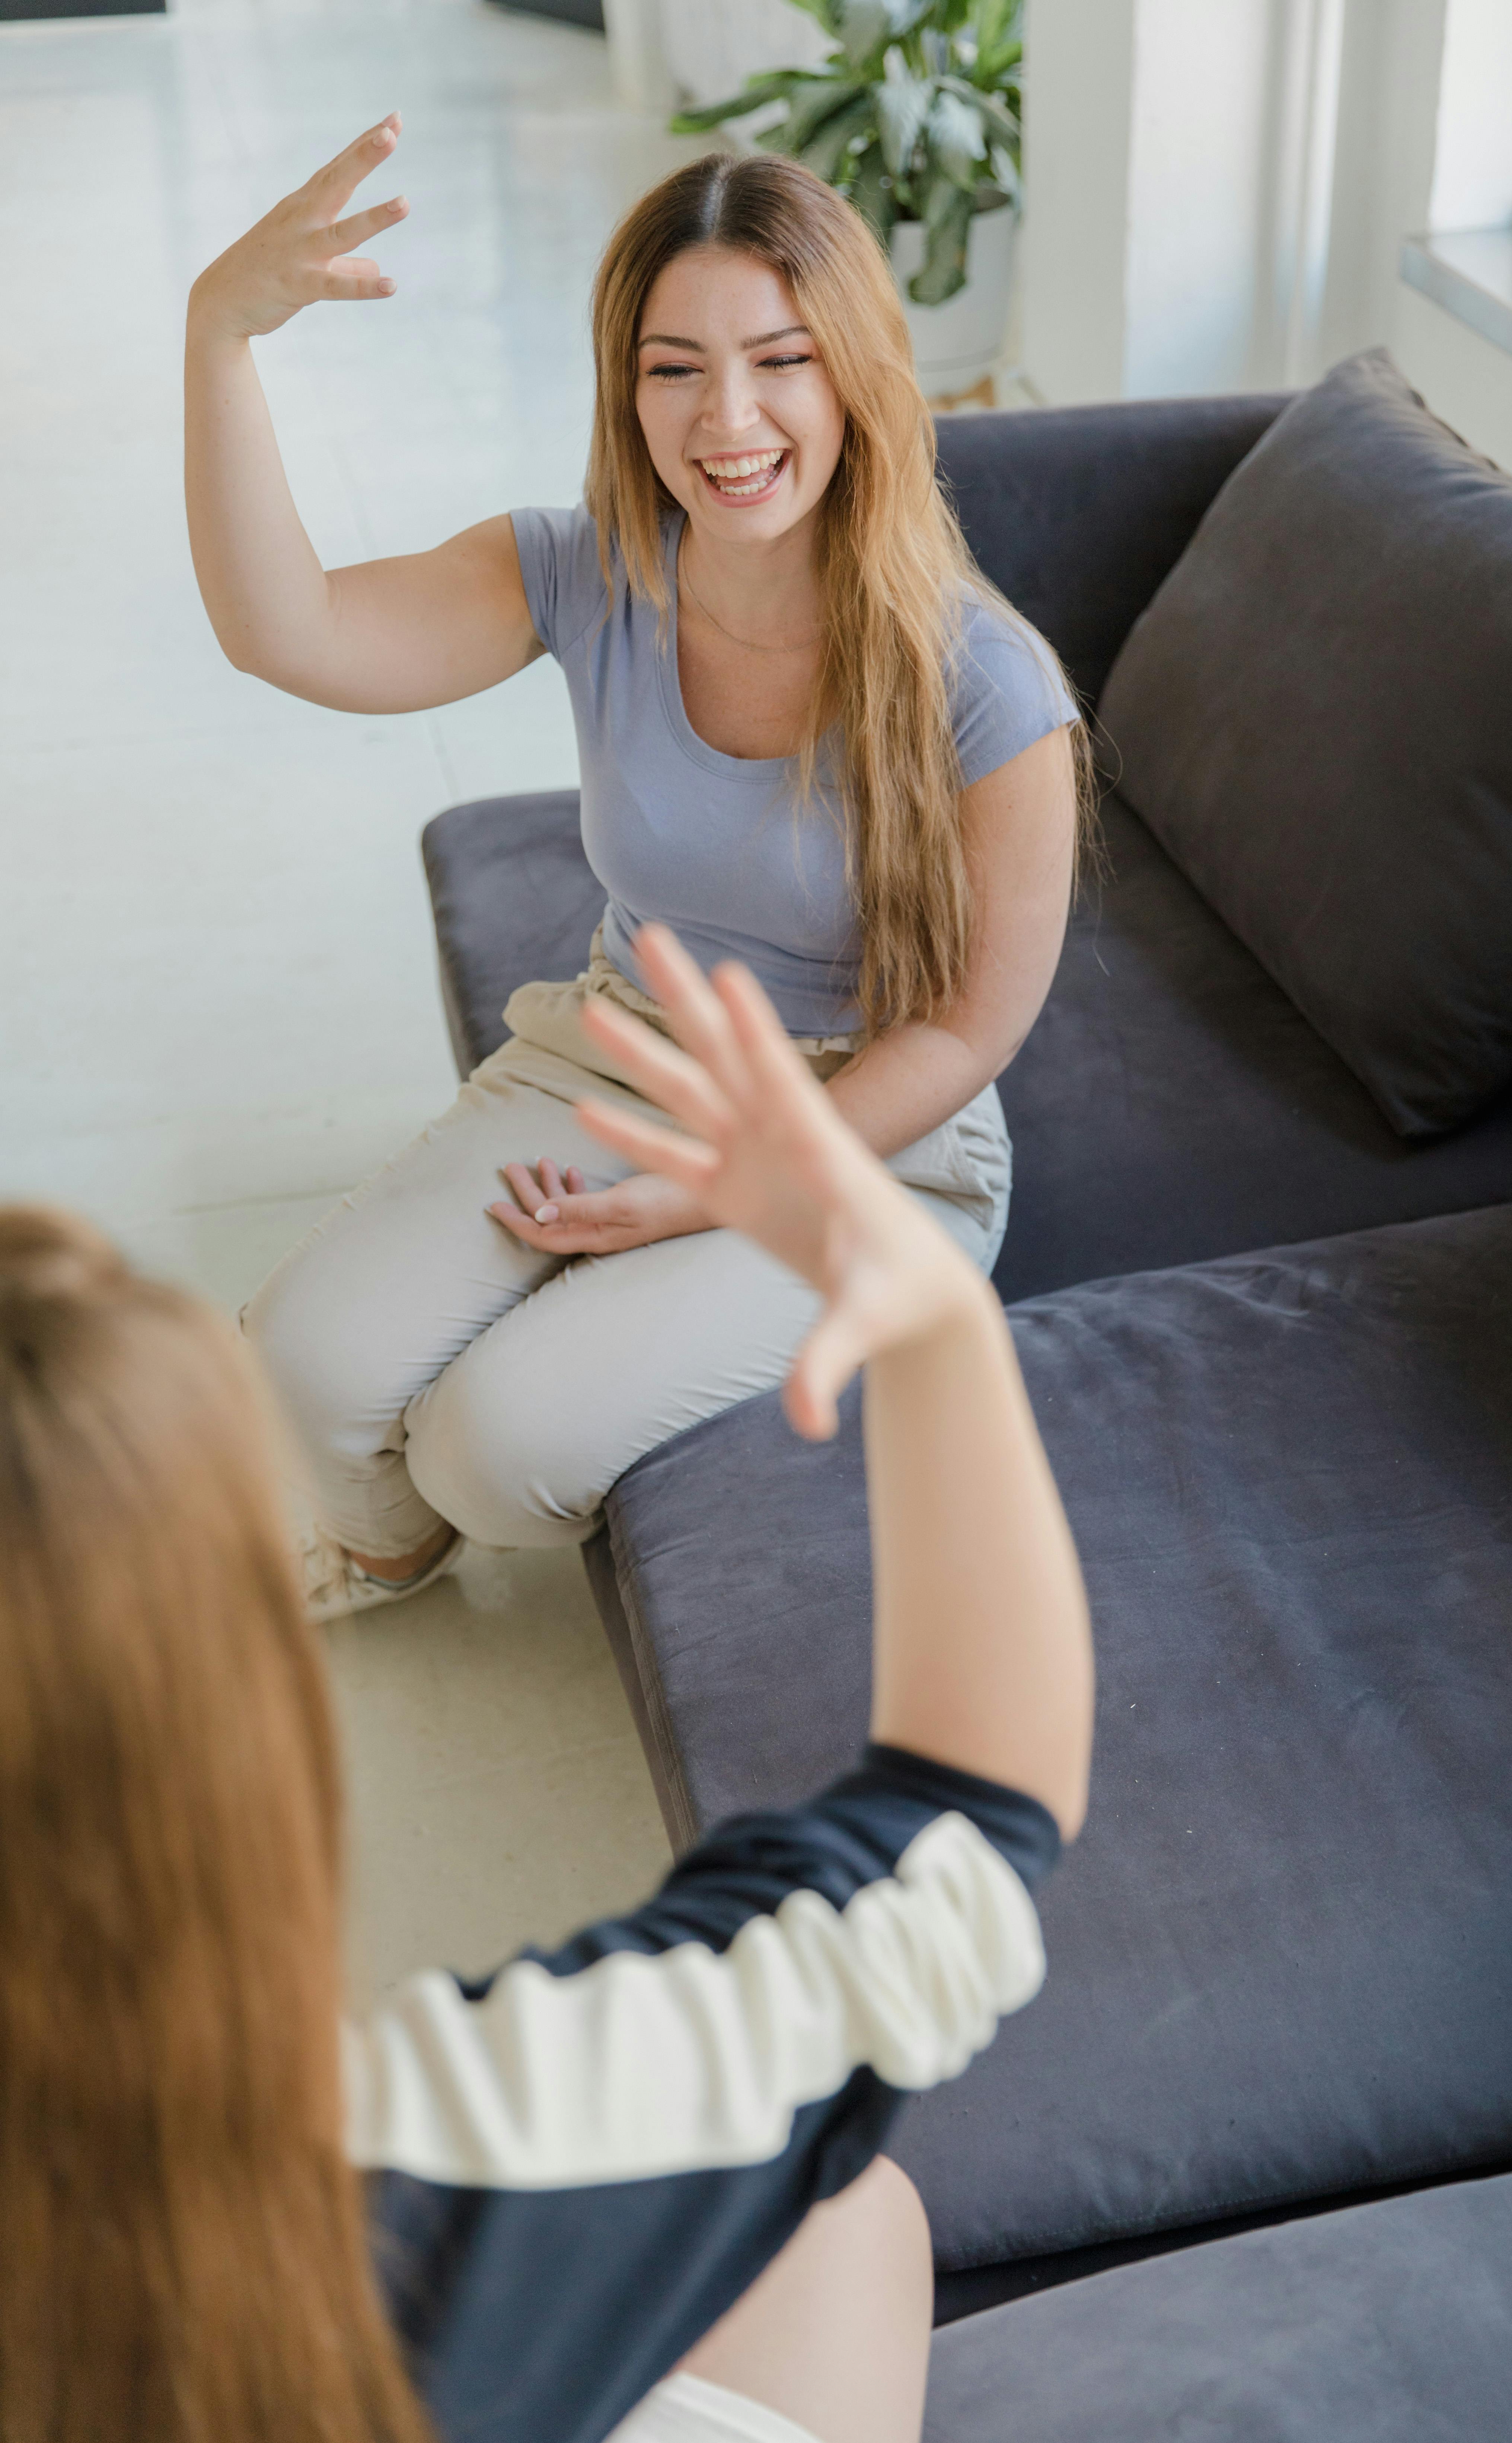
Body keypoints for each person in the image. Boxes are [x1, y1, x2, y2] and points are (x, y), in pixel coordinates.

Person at [0, 927, 1094, 2443]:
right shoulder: (488, 2140)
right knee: (850, 2217)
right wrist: (923, 1312)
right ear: (226, 1734)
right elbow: (966, 1821)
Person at [184, 117, 1087, 1616]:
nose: (725, 417)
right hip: (622, 1056)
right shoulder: (582, 569)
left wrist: (717, 1192)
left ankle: (512, 1432)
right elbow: (291, 633)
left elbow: (969, 1028)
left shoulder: (988, 684)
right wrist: (222, 336)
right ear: (627, 387)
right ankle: (387, 1546)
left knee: (493, 1450)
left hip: (867, 1146)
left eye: (778, 356)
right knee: (298, 1364)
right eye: (674, 366)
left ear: (853, 367)